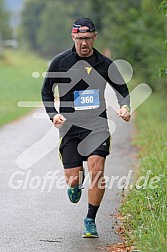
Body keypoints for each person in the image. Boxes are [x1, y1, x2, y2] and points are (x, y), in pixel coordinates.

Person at [41, 17, 131, 238]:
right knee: (74, 178)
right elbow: (45, 92)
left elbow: (122, 90)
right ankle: (75, 184)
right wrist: (53, 115)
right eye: (80, 38)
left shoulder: (105, 64)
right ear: (72, 37)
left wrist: (125, 107)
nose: (84, 43)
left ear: (95, 37)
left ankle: (90, 220)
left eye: (88, 38)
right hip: (70, 129)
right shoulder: (60, 62)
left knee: (97, 168)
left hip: (97, 125)